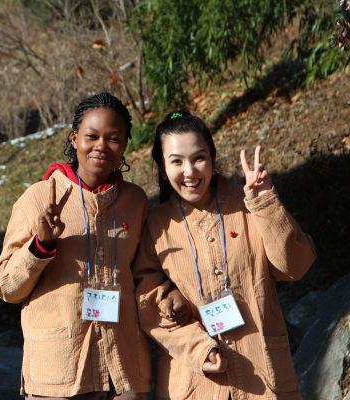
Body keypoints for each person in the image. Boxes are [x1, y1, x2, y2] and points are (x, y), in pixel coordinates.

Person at [0, 93, 190, 399]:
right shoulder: (38, 198)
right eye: (91, 136)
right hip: (58, 374)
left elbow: (145, 274)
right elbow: (6, 287)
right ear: (74, 139)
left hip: (123, 372)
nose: (101, 146)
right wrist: (40, 246)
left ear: (125, 145)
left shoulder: (134, 201)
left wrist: (169, 292)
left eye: (114, 138)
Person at [134, 109, 316, 399]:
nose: (190, 171)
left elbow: (295, 266)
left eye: (198, 158)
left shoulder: (249, 204)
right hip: (194, 385)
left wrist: (265, 204)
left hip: (264, 377)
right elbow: (148, 305)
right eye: (177, 161)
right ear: (163, 168)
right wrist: (199, 350)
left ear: (213, 158)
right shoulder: (155, 225)